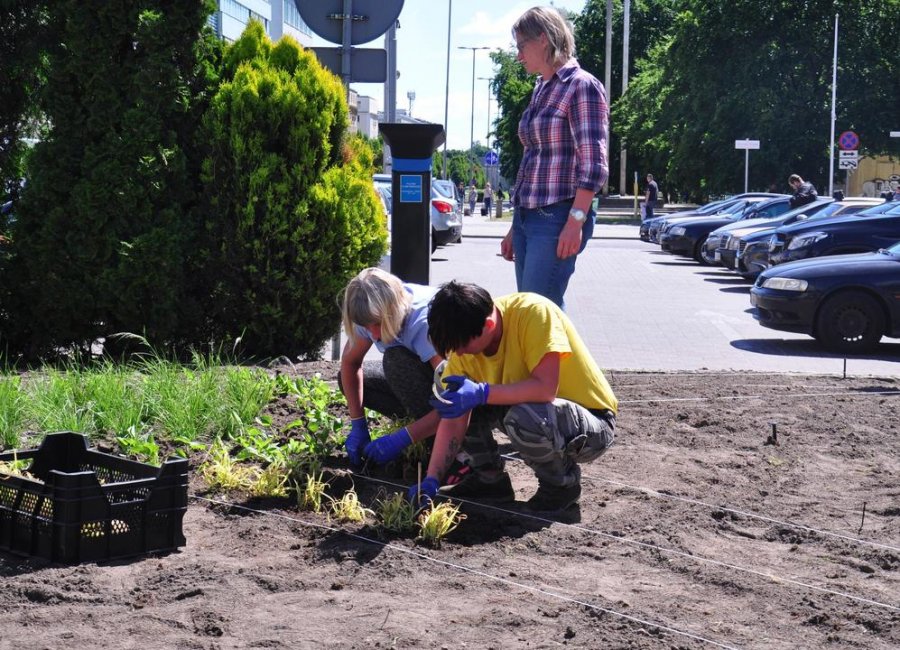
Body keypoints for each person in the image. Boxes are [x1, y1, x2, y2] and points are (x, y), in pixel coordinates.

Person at [408, 281, 618, 513]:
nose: (459, 353)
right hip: (538, 415)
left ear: (488, 325)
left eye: (463, 346)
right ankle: (490, 481)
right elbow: (453, 417)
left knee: (520, 415)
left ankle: (560, 487)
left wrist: (481, 392)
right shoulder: (466, 336)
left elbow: (545, 390)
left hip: (591, 427)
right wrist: (432, 478)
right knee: (464, 402)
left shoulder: (533, 313)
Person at [339, 268, 502, 484]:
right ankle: (427, 436)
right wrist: (357, 424)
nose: (374, 335)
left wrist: (403, 438)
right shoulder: (369, 316)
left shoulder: (426, 324)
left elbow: (455, 399)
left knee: (396, 361)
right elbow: (350, 363)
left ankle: (465, 457)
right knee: (352, 381)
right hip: (433, 385)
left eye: (378, 325)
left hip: (477, 395)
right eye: (366, 327)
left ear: (393, 310)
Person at [502, 6, 609, 309]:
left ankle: (560, 359)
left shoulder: (582, 86)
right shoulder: (541, 88)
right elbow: (532, 159)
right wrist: (515, 225)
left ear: (544, 40)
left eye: (522, 46)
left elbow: (594, 164)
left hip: (558, 217)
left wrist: (576, 221)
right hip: (528, 218)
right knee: (530, 312)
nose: (519, 55)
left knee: (540, 311)